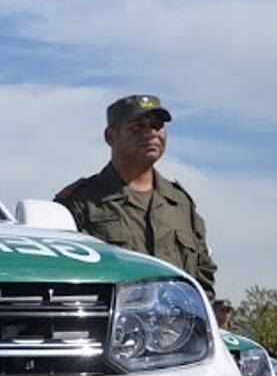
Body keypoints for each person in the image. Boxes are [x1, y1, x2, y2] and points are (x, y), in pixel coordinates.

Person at [56, 94, 218, 299]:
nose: (151, 134)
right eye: (137, 127)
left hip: (176, 327)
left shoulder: (179, 204)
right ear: (110, 136)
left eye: (157, 126)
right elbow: (61, 274)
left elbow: (203, 274)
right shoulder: (80, 202)